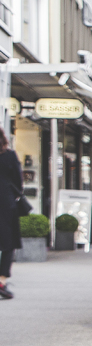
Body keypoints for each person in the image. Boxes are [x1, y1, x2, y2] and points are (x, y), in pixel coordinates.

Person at [0, 128, 23, 299]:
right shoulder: (9, 156)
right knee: (8, 243)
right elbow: (19, 181)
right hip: (6, 202)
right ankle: (1, 281)